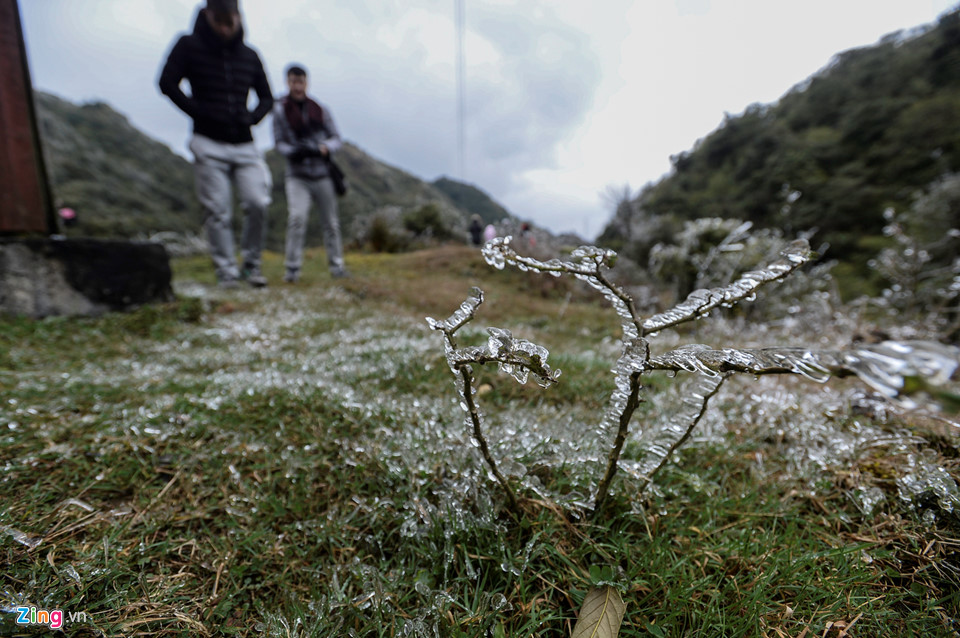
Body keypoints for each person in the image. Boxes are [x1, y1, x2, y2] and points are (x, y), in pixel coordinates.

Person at [158, 0, 273, 288]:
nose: (224, 27)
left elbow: (267, 97)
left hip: (244, 143)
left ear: (238, 17)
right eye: (218, 20)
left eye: (229, 20)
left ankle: (251, 266)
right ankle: (226, 272)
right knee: (218, 210)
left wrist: (253, 117)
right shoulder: (188, 45)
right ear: (207, 15)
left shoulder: (250, 55)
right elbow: (167, 83)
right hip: (207, 141)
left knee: (257, 202)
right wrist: (199, 111)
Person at [273, 64, 347, 282]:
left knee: (331, 223)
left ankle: (337, 267)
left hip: (322, 173)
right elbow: (279, 143)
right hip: (297, 176)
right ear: (288, 82)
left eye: (301, 81)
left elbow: (336, 138)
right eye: (293, 82)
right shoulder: (279, 111)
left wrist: (323, 147)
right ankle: (292, 270)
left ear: (306, 82)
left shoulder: (320, 110)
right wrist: (295, 152)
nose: (297, 86)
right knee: (296, 219)